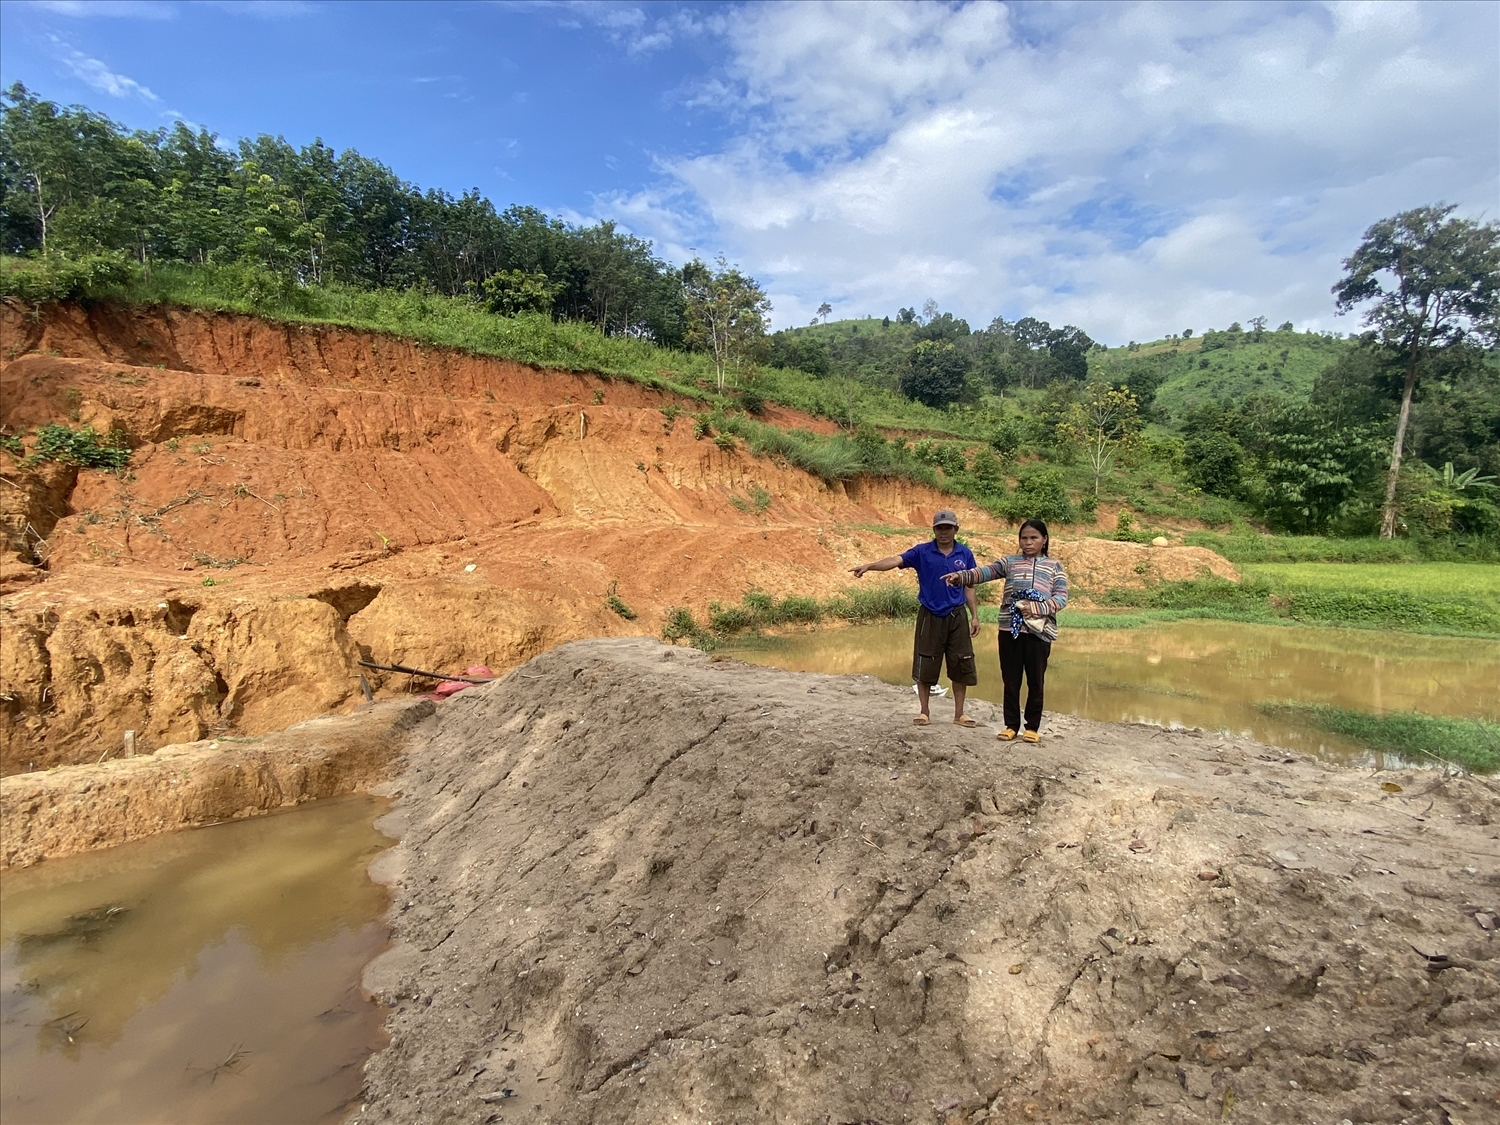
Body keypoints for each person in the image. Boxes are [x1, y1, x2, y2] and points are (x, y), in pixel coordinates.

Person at [850, 509, 980, 726]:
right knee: (925, 661)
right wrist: (870, 566)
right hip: (930, 614)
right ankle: (924, 712)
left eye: (948, 528)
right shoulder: (922, 552)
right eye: (940, 528)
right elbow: (895, 560)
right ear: (934, 530)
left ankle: (959, 714)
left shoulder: (965, 554)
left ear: (956, 529)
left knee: (961, 662)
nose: (944, 532)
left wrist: (974, 616)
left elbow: (970, 586)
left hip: (957, 615)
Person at [944, 518, 1068, 743]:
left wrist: (1039, 608)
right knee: (1011, 680)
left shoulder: (1054, 567)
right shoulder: (1010, 562)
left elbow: (1061, 597)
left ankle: (1032, 728)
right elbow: (986, 572)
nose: (1028, 542)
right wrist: (961, 577)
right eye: (1024, 538)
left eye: (1034, 538)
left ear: (1044, 540)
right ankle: (1011, 726)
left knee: (1035, 681)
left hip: (1039, 633)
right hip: (1009, 631)